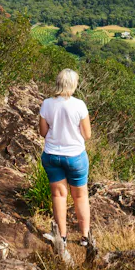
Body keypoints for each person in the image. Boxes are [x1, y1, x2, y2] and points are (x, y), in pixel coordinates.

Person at [38, 68, 92, 245]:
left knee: (59, 195)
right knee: (80, 196)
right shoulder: (79, 105)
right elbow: (87, 134)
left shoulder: (47, 104)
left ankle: (62, 236)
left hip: (52, 155)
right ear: (73, 84)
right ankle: (84, 237)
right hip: (75, 156)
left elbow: (43, 132)